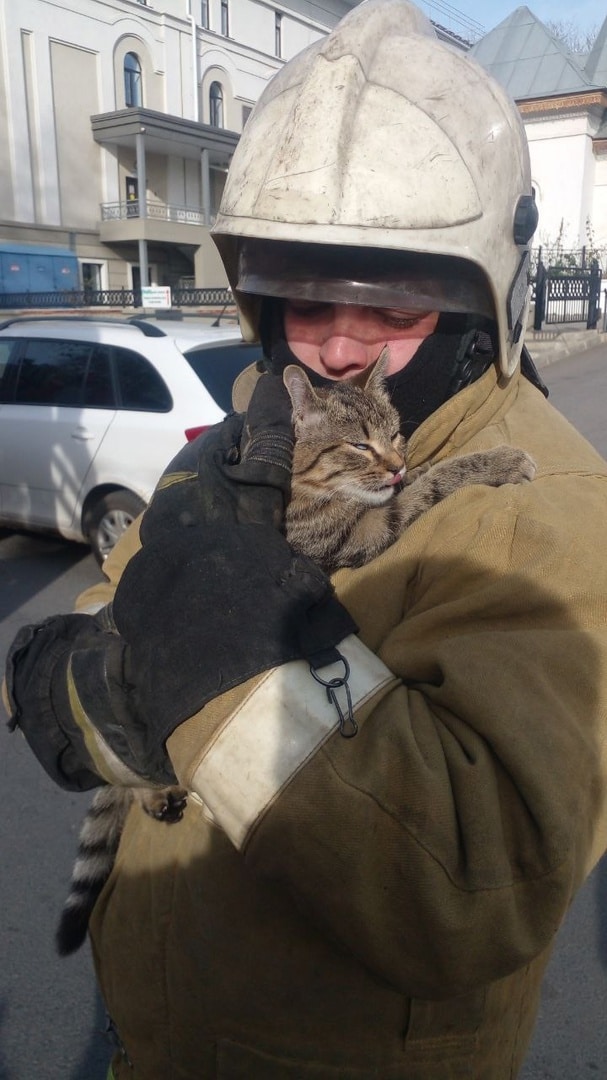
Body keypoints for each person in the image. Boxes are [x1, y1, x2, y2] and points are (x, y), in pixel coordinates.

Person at [5, 1, 607, 1076]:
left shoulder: (543, 510)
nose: (335, 347)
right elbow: (137, 586)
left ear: (482, 293)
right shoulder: (251, 430)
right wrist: (94, 657)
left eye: (391, 308)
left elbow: (474, 887)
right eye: (298, 295)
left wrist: (228, 672)